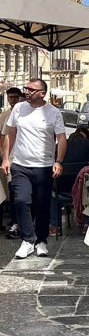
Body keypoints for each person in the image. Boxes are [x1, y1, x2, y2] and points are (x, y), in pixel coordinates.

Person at [1, 79, 67, 259]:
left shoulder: (53, 112)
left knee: (42, 205)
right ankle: (28, 240)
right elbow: (10, 133)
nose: (27, 92)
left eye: (32, 89)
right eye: (26, 89)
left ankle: (41, 240)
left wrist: (59, 161)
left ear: (42, 93)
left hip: (44, 166)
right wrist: (6, 158)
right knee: (21, 200)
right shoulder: (18, 109)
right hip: (21, 165)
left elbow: (61, 138)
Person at [50, 127, 89, 235]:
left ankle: (55, 225)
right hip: (85, 190)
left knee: (52, 192)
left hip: (62, 189)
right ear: (85, 136)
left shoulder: (59, 146)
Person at [0, 86, 22, 234]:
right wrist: (3, 155)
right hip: (9, 158)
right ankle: (14, 220)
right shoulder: (4, 116)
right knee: (12, 191)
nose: (13, 100)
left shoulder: (25, 113)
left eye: (15, 97)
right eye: (10, 98)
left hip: (24, 157)